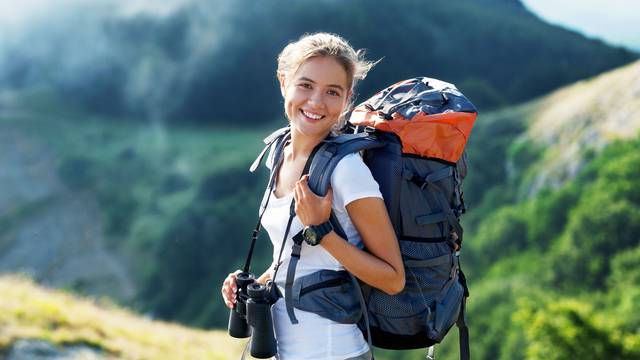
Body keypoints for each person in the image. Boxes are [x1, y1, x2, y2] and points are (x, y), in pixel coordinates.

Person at [221, 32, 405, 360]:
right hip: (284, 349)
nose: (316, 102)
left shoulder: (347, 171)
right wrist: (252, 283)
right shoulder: (279, 153)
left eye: (332, 92)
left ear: (347, 98)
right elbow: (298, 259)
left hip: (334, 351)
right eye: (305, 85)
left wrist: (322, 231)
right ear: (283, 83)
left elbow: (393, 279)